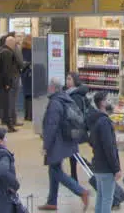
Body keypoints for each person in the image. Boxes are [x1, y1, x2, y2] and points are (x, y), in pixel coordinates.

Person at [41, 78, 89, 211]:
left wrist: (46, 145)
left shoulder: (55, 103)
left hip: (57, 142)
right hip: (66, 140)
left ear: (53, 88)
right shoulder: (65, 99)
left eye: (49, 86)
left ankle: (81, 191)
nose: (48, 88)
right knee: (53, 169)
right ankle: (52, 201)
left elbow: (51, 125)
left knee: (56, 171)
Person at [86, 91, 120, 213]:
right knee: (107, 199)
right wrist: (116, 168)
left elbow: (91, 141)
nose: (112, 102)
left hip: (97, 165)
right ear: (102, 103)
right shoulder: (105, 122)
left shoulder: (95, 120)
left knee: (100, 197)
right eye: (109, 99)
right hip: (106, 167)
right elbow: (109, 147)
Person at [63, 72, 90, 183]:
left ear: (75, 81)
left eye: (69, 79)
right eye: (66, 79)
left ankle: (87, 166)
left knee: (72, 152)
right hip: (72, 128)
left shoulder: (76, 96)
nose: (67, 81)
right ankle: (74, 176)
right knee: (72, 152)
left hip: (75, 128)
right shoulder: (69, 93)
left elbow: (76, 114)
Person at [0, 34, 19, 132]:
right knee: (5, 104)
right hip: (4, 83)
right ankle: (8, 125)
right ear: (10, 43)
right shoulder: (7, 53)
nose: (15, 45)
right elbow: (7, 69)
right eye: (14, 43)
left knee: (0, 104)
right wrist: (7, 83)